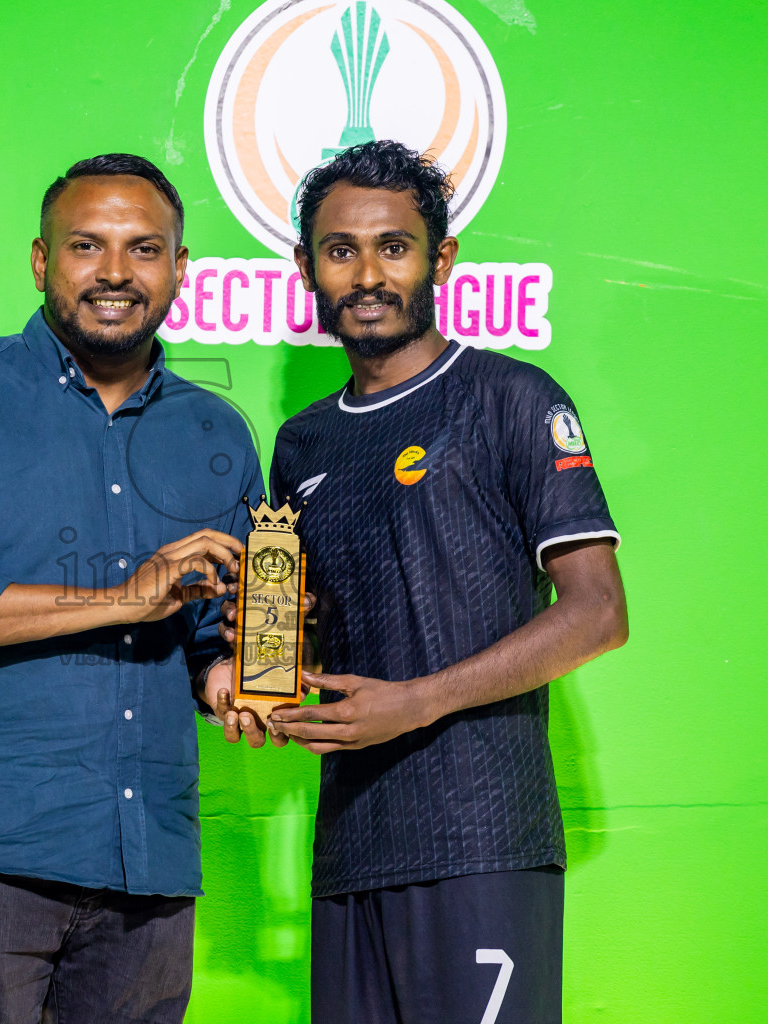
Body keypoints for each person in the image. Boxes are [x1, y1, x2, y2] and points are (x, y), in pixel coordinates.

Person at [0, 153, 269, 1024]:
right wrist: (124, 596)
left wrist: (231, 673)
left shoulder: (214, 431)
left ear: (180, 270)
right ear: (42, 262)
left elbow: (210, 636)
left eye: (144, 249)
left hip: (147, 864)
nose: (116, 272)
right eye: (87, 245)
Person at [224, 140, 629, 1023]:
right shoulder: (300, 444)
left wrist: (418, 701)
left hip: (481, 837)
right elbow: (298, 633)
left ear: (439, 258)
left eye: (393, 247)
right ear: (306, 268)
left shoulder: (511, 397)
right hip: (348, 849)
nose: (367, 273)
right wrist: (255, 675)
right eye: (340, 251)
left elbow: (598, 613)